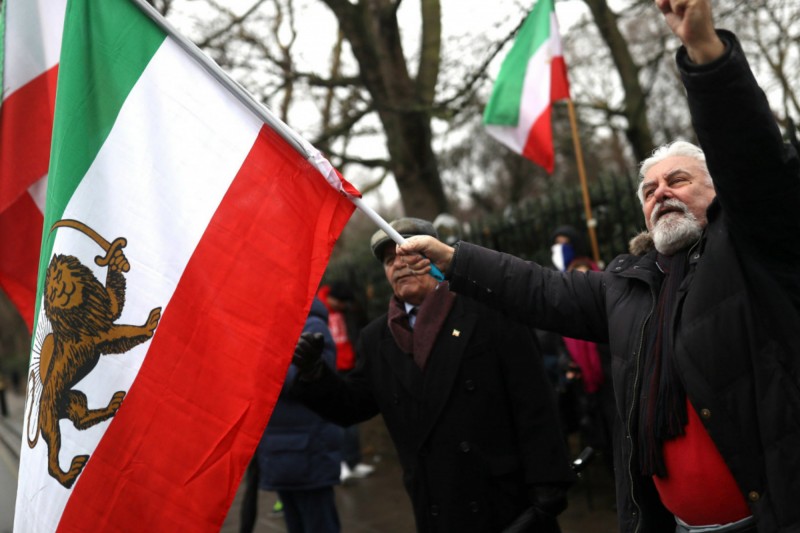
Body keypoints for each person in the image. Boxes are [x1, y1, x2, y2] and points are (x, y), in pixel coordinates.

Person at [396, 2, 800, 532]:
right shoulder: (628, 286)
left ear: (718, 189)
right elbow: (539, 290)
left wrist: (706, 54)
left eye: (678, 181)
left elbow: (753, 160)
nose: (661, 194)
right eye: (650, 190)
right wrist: (454, 258)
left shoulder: (755, 249)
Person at [291, 217, 575, 533]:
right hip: (436, 505)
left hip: (508, 503)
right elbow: (352, 405)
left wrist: (549, 481)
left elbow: (534, 398)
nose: (398, 264)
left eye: (409, 254)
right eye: (388, 260)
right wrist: (314, 373)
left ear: (437, 255)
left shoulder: (488, 309)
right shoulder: (377, 338)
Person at [240, 297, 343, 533]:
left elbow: (313, 382)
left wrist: (260, 367)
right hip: (282, 453)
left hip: (308, 453)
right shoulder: (276, 328)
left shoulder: (313, 327)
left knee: (318, 524)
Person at [316, 281, 375, 482]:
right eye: (343, 304)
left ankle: (353, 461)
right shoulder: (317, 311)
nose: (345, 307)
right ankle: (339, 464)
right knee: (334, 421)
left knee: (352, 422)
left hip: (350, 368)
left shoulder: (348, 310)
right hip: (331, 372)